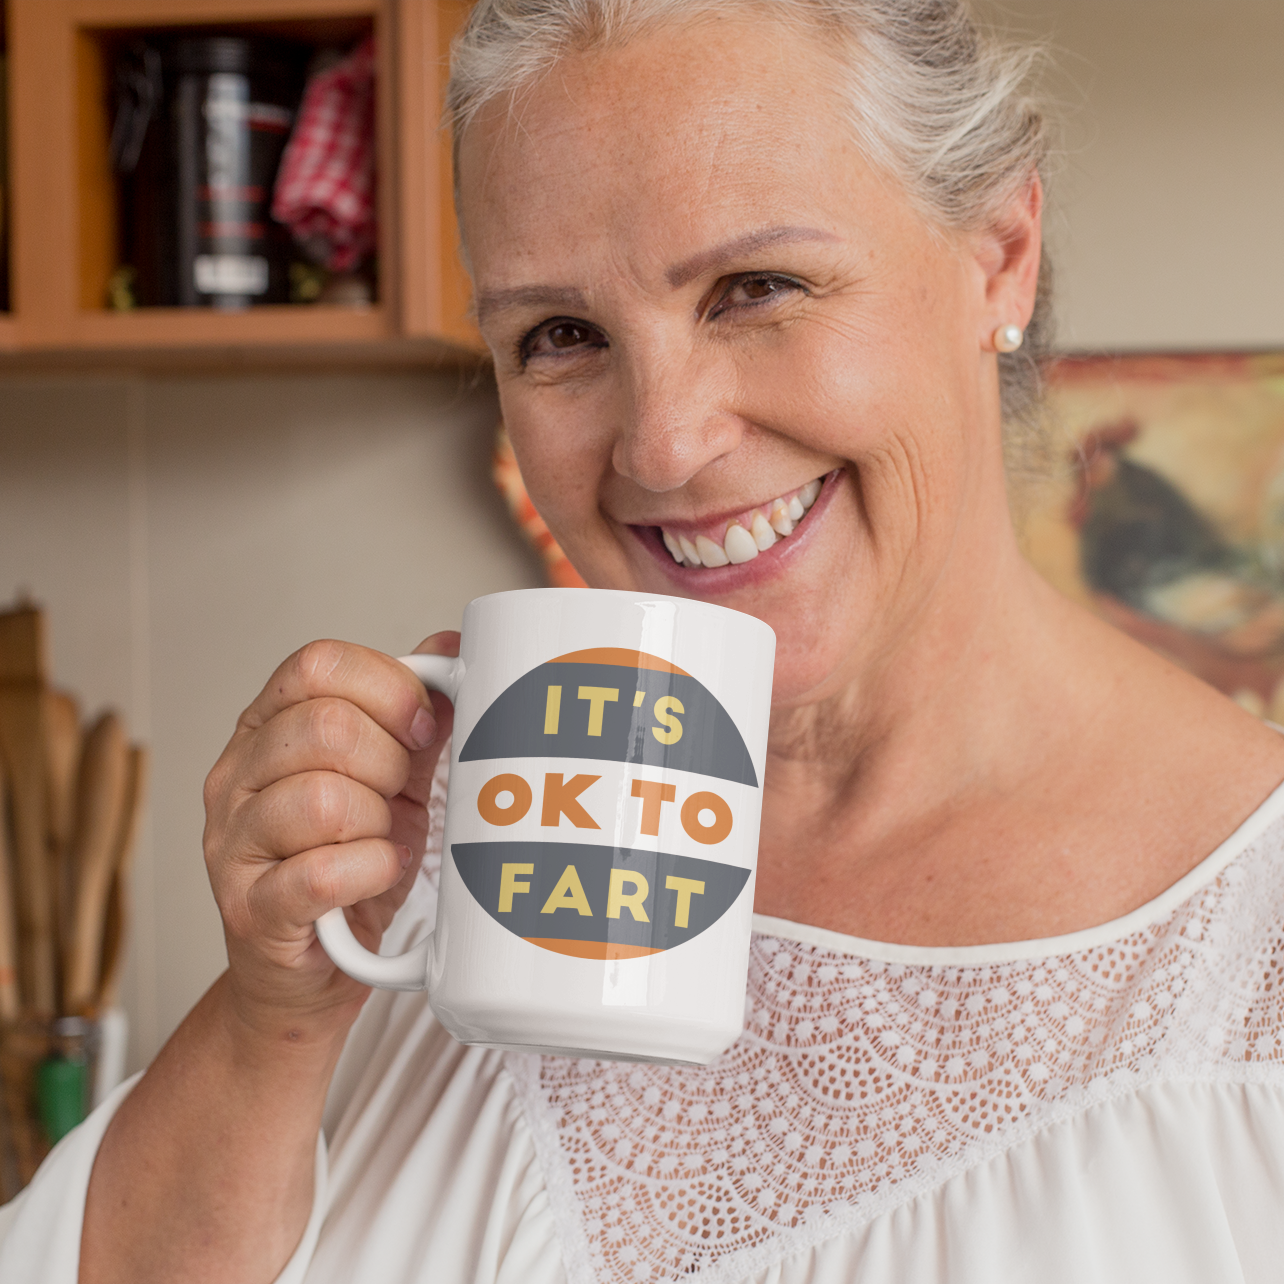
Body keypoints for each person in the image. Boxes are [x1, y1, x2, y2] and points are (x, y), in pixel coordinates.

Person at [7, 1, 1284, 1280]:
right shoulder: (435, 862)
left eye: (758, 289)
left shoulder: (1256, 960)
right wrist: (270, 1022)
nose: (663, 444)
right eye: (560, 336)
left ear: (999, 253)